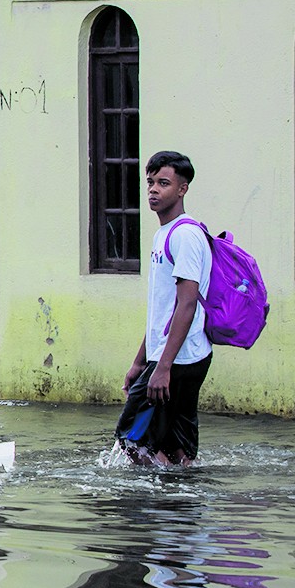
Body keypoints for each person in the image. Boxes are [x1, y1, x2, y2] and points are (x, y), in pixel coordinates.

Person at [117, 151, 212, 466]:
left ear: (182, 189)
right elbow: (162, 310)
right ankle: (180, 509)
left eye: (163, 183)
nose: (154, 190)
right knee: (175, 447)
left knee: (131, 439)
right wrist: (139, 361)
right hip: (174, 357)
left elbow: (186, 305)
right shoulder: (164, 234)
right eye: (150, 183)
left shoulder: (184, 234)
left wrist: (163, 368)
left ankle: (151, 507)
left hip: (179, 360)